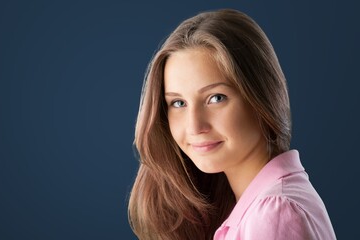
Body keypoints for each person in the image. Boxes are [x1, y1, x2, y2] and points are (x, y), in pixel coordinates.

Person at [127, 9, 336, 240]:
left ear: (262, 97)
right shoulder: (259, 205)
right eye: (178, 103)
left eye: (216, 98)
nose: (195, 126)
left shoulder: (273, 213)